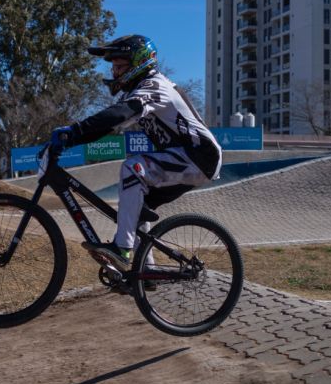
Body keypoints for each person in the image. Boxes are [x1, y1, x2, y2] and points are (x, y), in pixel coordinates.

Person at [49, 34, 222, 271]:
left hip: (199, 156)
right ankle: (145, 269)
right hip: (188, 157)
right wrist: (74, 138)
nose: (114, 73)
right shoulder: (141, 89)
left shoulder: (154, 85)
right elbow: (109, 125)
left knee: (132, 168)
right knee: (135, 203)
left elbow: (120, 113)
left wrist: (74, 132)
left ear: (139, 63)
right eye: (113, 67)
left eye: (119, 66)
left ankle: (122, 249)